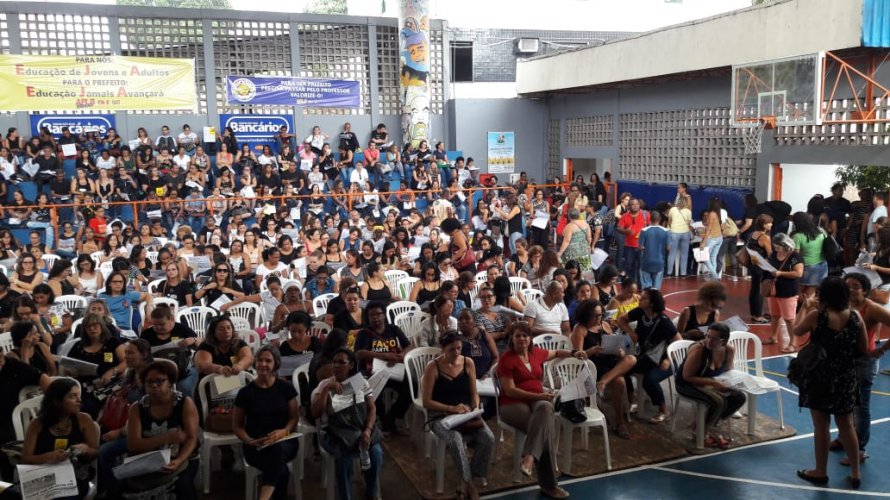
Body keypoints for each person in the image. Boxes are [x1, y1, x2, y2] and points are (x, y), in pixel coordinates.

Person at [791, 277, 867, 489]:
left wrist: (805, 307)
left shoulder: (818, 316)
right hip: (845, 376)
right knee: (847, 425)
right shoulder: (856, 317)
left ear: (823, 296)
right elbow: (863, 349)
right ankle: (855, 473)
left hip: (820, 377)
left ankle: (820, 471)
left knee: (821, 425)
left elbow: (796, 331)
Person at [497, 321, 585, 499]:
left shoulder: (537, 353)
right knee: (544, 429)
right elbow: (510, 390)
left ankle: (529, 457)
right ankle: (550, 485)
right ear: (511, 339)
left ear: (530, 338)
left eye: (525, 335)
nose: (522, 339)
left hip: (538, 401)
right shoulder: (506, 359)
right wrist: (539, 396)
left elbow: (557, 352)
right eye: (518, 335)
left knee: (546, 408)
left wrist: (574, 352)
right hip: (512, 404)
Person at [421, 331, 494, 500]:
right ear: (443, 349)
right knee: (455, 439)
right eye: (451, 349)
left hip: (464, 413)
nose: (456, 353)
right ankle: (469, 485)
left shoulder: (468, 362)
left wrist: (474, 408)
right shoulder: (433, 367)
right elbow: (426, 402)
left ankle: (466, 479)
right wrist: (450, 408)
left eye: (459, 348)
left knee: (488, 437)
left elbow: (474, 393)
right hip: (439, 415)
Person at [311, 348, 383, 500]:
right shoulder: (325, 383)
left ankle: (371, 492)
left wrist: (368, 430)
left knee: (376, 453)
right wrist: (326, 391)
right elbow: (315, 413)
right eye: (334, 362)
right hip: (336, 434)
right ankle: (346, 496)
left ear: (351, 365)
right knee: (344, 458)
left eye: (341, 363)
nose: (336, 366)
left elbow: (371, 408)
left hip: (360, 429)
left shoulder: (359, 382)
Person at [125, 360, 200, 500]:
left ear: (170, 383)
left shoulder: (184, 403)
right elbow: (133, 445)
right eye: (149, 382)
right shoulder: (137, 408)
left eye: (160, 381)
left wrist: (178, 461)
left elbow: (191, 439)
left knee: (183, 486)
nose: (154, 385)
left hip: (183, 456)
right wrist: (167, 438)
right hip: (149, 459)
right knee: (122, 487)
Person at [233, 345, 300, 500]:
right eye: (260, 360)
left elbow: (293, 419)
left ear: (275, 364)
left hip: (285, 440)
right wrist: (250, 441)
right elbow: (237, 427)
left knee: (278, 449)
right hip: (256, 445)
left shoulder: (285, 388)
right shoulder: (245, 393)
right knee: (281, 471)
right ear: (255, 363)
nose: (263, 364)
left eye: (268, 361)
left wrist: (284, 431)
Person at [21, 378, 99, 499]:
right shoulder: (37, 423)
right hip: (43, 475)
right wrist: (48, 457)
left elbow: (94, 452)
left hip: (73, 475)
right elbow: (25, 458)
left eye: (78, 395)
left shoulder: (83, 419)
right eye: (72, 396)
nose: (79, 400)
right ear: (57, 401)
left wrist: (86, 449)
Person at [570, 300, 635, 438]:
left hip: (609, 363)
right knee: (620, 382)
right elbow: (577, 357)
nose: (598, 318)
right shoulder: (580, 329)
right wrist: (592, 351)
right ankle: (620, 422)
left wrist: (619, 352)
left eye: (600, 315)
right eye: (595, 316)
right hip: (592, 366)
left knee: (631, 359)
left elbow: (616, 347)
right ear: (586, 315)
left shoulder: (605, 325)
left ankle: (603, 382)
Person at [676, 322, 746, 449]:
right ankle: (700, 433)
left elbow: (728, 372)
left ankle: (707, 425)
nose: (709, 341)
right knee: (718, 401)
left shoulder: (729, 350)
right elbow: (687, 377)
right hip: (687, 384)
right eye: (707, 336)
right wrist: (713, 383)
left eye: (714, 339)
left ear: (724, 342)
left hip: (710, 382)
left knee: (739, 397)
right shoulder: (699, 351)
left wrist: (731, 383)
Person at [617, 288, 680, 422]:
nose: (639, 299)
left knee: (649, 380)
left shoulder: (664, 321)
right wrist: (631, 332)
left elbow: (679, 342)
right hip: (647, 356)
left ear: (652, 303)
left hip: (663, 359)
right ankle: (632, 402)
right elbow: (621, 320)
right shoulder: (640, 312)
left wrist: (668, 360)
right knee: (623, 369)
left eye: (644, 298)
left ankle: (663, 410)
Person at [354, 300, 412, 433]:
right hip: (373, 372)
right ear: (367, 317)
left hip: (393, 370)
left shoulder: (393, 329)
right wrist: (384, 356)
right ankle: (381, 421)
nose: (375, 318)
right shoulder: (364, 333)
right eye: (371, 315)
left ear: (384, 315)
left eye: (378, 314)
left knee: (411, 388)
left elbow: (408, 345)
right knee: (374, 394)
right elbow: (359, 353)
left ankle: (391, 418)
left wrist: (402, 355)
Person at [67, 312, 127, 417]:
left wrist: (112, 371)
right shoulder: (78, 346)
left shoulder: (112, 342)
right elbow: (68, 364)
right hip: (83, 385)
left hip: (108, 383)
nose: (92, 329)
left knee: (88, 405)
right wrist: (71, 371)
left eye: (95, 325)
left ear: (101, 326)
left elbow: (127, 361)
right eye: (88, 326)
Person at [765, 233, 804, 353]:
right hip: (774, 290)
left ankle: (793, 343)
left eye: (778, 247)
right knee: (775, 315)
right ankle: (773, 337)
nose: (776, 249)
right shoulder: (773, 254)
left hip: (788, 291)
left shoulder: (795, 256)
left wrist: (780, 274)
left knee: (789, 319)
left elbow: (798, 273)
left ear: (785, 245)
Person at [791, 211, 828, 300]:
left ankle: (799, 311)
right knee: (810, 294)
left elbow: (795, 254)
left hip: (806, 266)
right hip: (822, 265)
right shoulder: (820, 231)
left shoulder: (797, 236)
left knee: (797, 292)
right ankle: (807, 311)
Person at [745, 215, 773, 324]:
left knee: (754, 289)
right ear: (763, 224)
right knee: (760, 291)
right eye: (769, 223)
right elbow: (770, 254)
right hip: (762, 266)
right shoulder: (765, 237)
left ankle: (754, 313)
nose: (771, 224)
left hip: (753, 265)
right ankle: (757, 315)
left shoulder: (753, 234)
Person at [638, 212, 670, 290]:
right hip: (659, 261)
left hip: (646, 261)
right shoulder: (666, 231)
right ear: (660, 219)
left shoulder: (644, 230)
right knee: (656, 288)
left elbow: (641, 247)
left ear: (650, 219)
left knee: (646, 287)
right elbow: (668, 248)